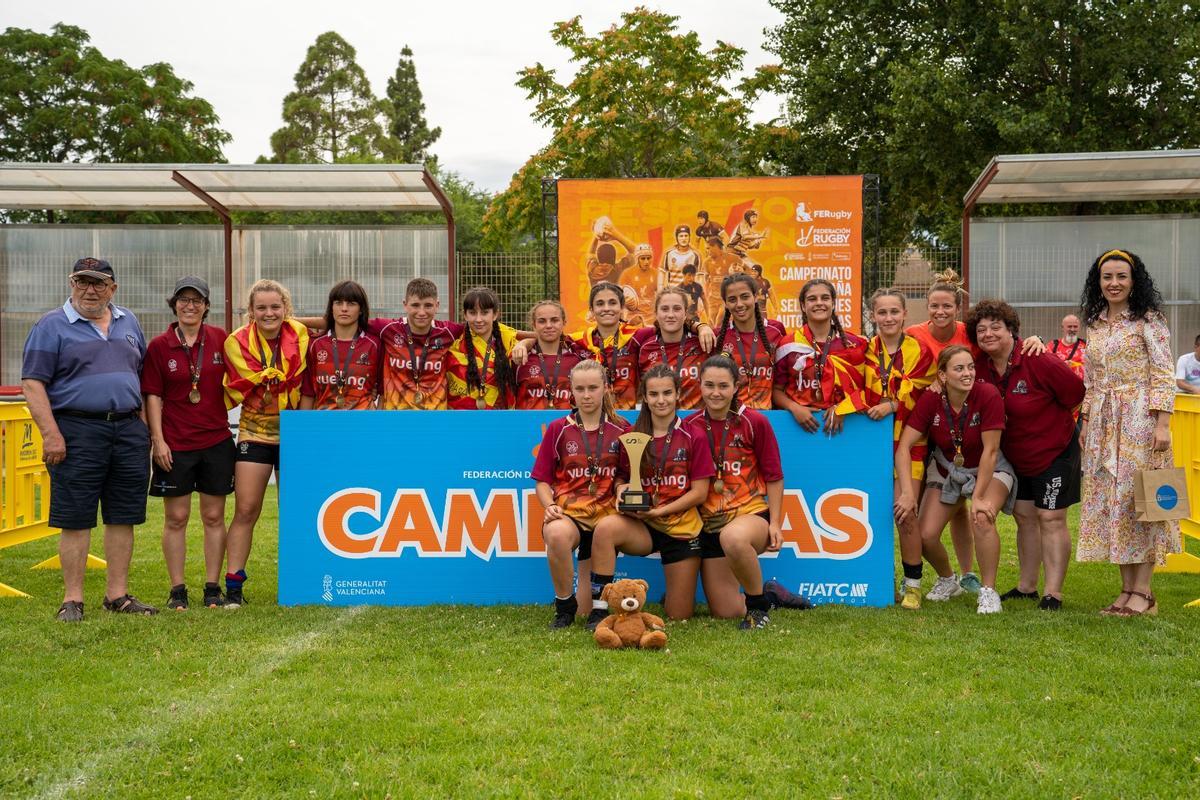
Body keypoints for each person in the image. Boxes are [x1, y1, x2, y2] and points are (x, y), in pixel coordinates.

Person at [22, 257, 156, 621]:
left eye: (98, 283)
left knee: (123, 516)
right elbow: (33, 383)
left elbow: (140, 375)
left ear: (113, 288)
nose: (89, 290)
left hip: (127, 430)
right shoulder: (51, 326)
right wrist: (51, 434)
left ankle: (117, 596)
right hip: (76, 431)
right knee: (76, 518)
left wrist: (143, 429)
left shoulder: (129, 321)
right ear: (72, 284)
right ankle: (72, 600)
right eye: (82, 282)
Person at [1077, 249, 1181, 616]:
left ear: (1134, 281)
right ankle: (1125, 590)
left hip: (1140, 418)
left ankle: (1144, 593)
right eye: (1107, 277)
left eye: (1121, 276)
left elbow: (1164, 373)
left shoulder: (1148, 320)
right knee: (1114, 502)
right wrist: (1086, 421)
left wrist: (1163, 424)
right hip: (1104, 424)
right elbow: (1091, 380)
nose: (1114, 283)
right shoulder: (1095, 323)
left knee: (1141, 500)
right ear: (1098, 282)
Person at [968, 299, 1084, 611]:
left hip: (1054, 452)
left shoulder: (1038, 358)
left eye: (996, 327)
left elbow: (1075, 393)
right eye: (981, 329)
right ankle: (1027, 586)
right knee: (1025, 517)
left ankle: (1053, 593)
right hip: (1017, 457)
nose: (988, 334)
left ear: (1012, 330)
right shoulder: (979, 366)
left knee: (1051, 517)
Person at [683, 355, 808, 629]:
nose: (716, 393)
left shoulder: (755, 421)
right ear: (699, 385)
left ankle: (757, 609)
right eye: (709, 385)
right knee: (725, 611)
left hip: (750, 516)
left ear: (735, 386)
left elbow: (774, 476)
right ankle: (770, 594)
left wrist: (775, 523)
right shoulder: (690, 426)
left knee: (734, 537)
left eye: (723, 386)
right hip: (709, 525)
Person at [587, 365, 713, 628]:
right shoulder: (631, 435)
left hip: (681, 528)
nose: (661, 400)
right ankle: (599, 610)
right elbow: (621, 476)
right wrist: (620, 489)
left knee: (679, 615)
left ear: (678, 394)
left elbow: (700, 493)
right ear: (644, 396)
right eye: (653, 394)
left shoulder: (694, 435)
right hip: (643, 526)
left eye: (667, 393)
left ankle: (677, 595)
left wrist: (658, 511)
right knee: (605, 529)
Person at [895, 345, 1015, 614]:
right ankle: (949, 579)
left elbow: (991, 450)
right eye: (959, 368)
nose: (967, 373)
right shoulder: (931, 399)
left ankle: (988, 592)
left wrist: (979, 497)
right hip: (948, 468)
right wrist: (907, 492)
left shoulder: (987, 394)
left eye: (970, 367)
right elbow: (904, 447)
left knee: (982, 517)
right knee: (925, 536)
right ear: (942, 375)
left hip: (989, 467)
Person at [142, 276, 234, 610]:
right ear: (174, 304)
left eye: (197, 300)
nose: (190, 306)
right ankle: (177, 589)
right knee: (176, 518)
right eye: (184, 300)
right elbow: (152, 396)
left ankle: (212, 587)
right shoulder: (159, 345)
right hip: (175, 444)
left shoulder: (221, 339)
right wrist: (158, 441)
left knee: (214, 516)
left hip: (216, 440)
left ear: (206, 306)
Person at [222, 279, 309, 607]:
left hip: (294, 433)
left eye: (275, 307)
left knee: (295, 509)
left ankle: (302, 581)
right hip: (254, 432)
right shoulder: (236, 341)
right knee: (246, 509)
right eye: (261, 308)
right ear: (251, 311)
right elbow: (244, 382)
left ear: (286, 309)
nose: (269, 313)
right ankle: (234, 585)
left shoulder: (300, 334)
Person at [851, 288, 936, 607]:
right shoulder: (863, 350)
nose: (888, 318)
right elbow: (851, 388)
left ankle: (913, 585)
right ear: (873, 315)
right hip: (869, 445)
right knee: (868, 513)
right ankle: (876, 579)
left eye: (894, 312)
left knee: (905, 512)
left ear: (904, 315)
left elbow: (926, 398)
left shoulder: (920, 351)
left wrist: (892, 405)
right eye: (882, 312)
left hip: (909, 444)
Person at [532, 360, 630, 628]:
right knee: (555, 533)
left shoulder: (623, 429)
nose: (586, 395)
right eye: (580, 389)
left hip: (607, 517)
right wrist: (549, 505)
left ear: (605, 388)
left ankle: (600, 610)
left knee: (591, 608)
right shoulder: (558, 429)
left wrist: (622, 487)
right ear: (571, 391)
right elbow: (542, 481)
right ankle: (565, 607)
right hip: (571, 515)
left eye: (593, 388)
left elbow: (626, 476)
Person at [773, 278, 868, 436]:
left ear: (833, 303)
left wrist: (843, 408)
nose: (819, 303)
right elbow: (776, 391)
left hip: (845, 428)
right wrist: (794, 408)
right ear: (803, 306)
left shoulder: (854, 344)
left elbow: (864, 390)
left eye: (825, 298)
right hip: (797, 427)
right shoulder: (787, 345)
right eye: (812, 299)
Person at [300, 280, 382, 410]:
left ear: (361, 309)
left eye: (351, 303)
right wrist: (303, 423)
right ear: (331, 308)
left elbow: (383, 390)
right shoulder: (315, 344)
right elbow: (308, 392)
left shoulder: (374, 345)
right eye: (338, 303)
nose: (344, 308)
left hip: (363, 421)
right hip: (325, 420)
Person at [629, 286, 713, 410]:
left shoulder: (702, 341)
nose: (670, 315)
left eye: (677, 309)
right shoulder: (644, 347)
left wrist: (703, 326)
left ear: (685, 313)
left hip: (696, 420)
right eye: (664, 309)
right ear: (656, 313)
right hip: (657, 419)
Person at [712, 273, 788, 409]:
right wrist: (700, 326)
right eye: (732, 299)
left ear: (755, 297)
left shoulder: (776, 330)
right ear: (726, 304)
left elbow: (783, 377)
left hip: (768, 416)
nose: (739, 304)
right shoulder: (718, 336)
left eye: (745, 297)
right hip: (731, 417)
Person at [447, 287, 520, 409]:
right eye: (472, 313)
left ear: (495, 314)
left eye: (484, 313)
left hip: (500, 418)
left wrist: (524, 343)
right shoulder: (453, 343)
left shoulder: (509, 343)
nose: (478, 319)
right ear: (465, 315)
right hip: (460, 418)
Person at [570, 282, 640, 410]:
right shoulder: (579, 340)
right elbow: (548, 337)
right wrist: (529, 341)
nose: (606, 308)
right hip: (593, 416)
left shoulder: (637, 336)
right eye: (600, 304)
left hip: (629, 416)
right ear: (592, 310)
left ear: (622, 307)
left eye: (612, 303)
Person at [514, 300, 590, 410]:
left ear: (564, 322)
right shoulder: (520, 357)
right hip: (529, 421)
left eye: (554, 320)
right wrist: (523, 343)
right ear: (534, 325)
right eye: (542, 321)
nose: (549, 325)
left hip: (567, 421)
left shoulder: (579, 358)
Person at [1049, 314, 1087, 380]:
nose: (1072, 329)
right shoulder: (1052, 346)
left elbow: (1094, 368)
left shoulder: (1086, 346)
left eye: (1075, 327)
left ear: (1079, 328)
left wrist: (1075, 366)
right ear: (1062, 328)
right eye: (1069, 326)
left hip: (1080, 385)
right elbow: (1045, 366)